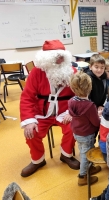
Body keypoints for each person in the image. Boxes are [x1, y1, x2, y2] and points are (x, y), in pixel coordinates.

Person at [20, 40, 80, 177]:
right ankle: (37, 160)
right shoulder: (36, 73)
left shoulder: (73, 72)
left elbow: (80, 96)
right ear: (47, 59)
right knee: (31, 132)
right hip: (42, 113)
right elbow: (27, 97)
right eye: (56, 57)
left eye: (62, 56)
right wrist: (29, 120)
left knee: (74, 127)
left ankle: (66, 154)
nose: (60, 59)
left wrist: (72, 112)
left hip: (65, 112)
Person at [68, 71, 101, 186]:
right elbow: (96, 122)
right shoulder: (89, 106)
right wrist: (100, 117)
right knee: (85, 155)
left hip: (77, 132)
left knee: (83, 151)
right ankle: (82, 176)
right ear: (89, 87)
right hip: (87, 134)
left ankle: (89, 169)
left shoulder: (71, 101)